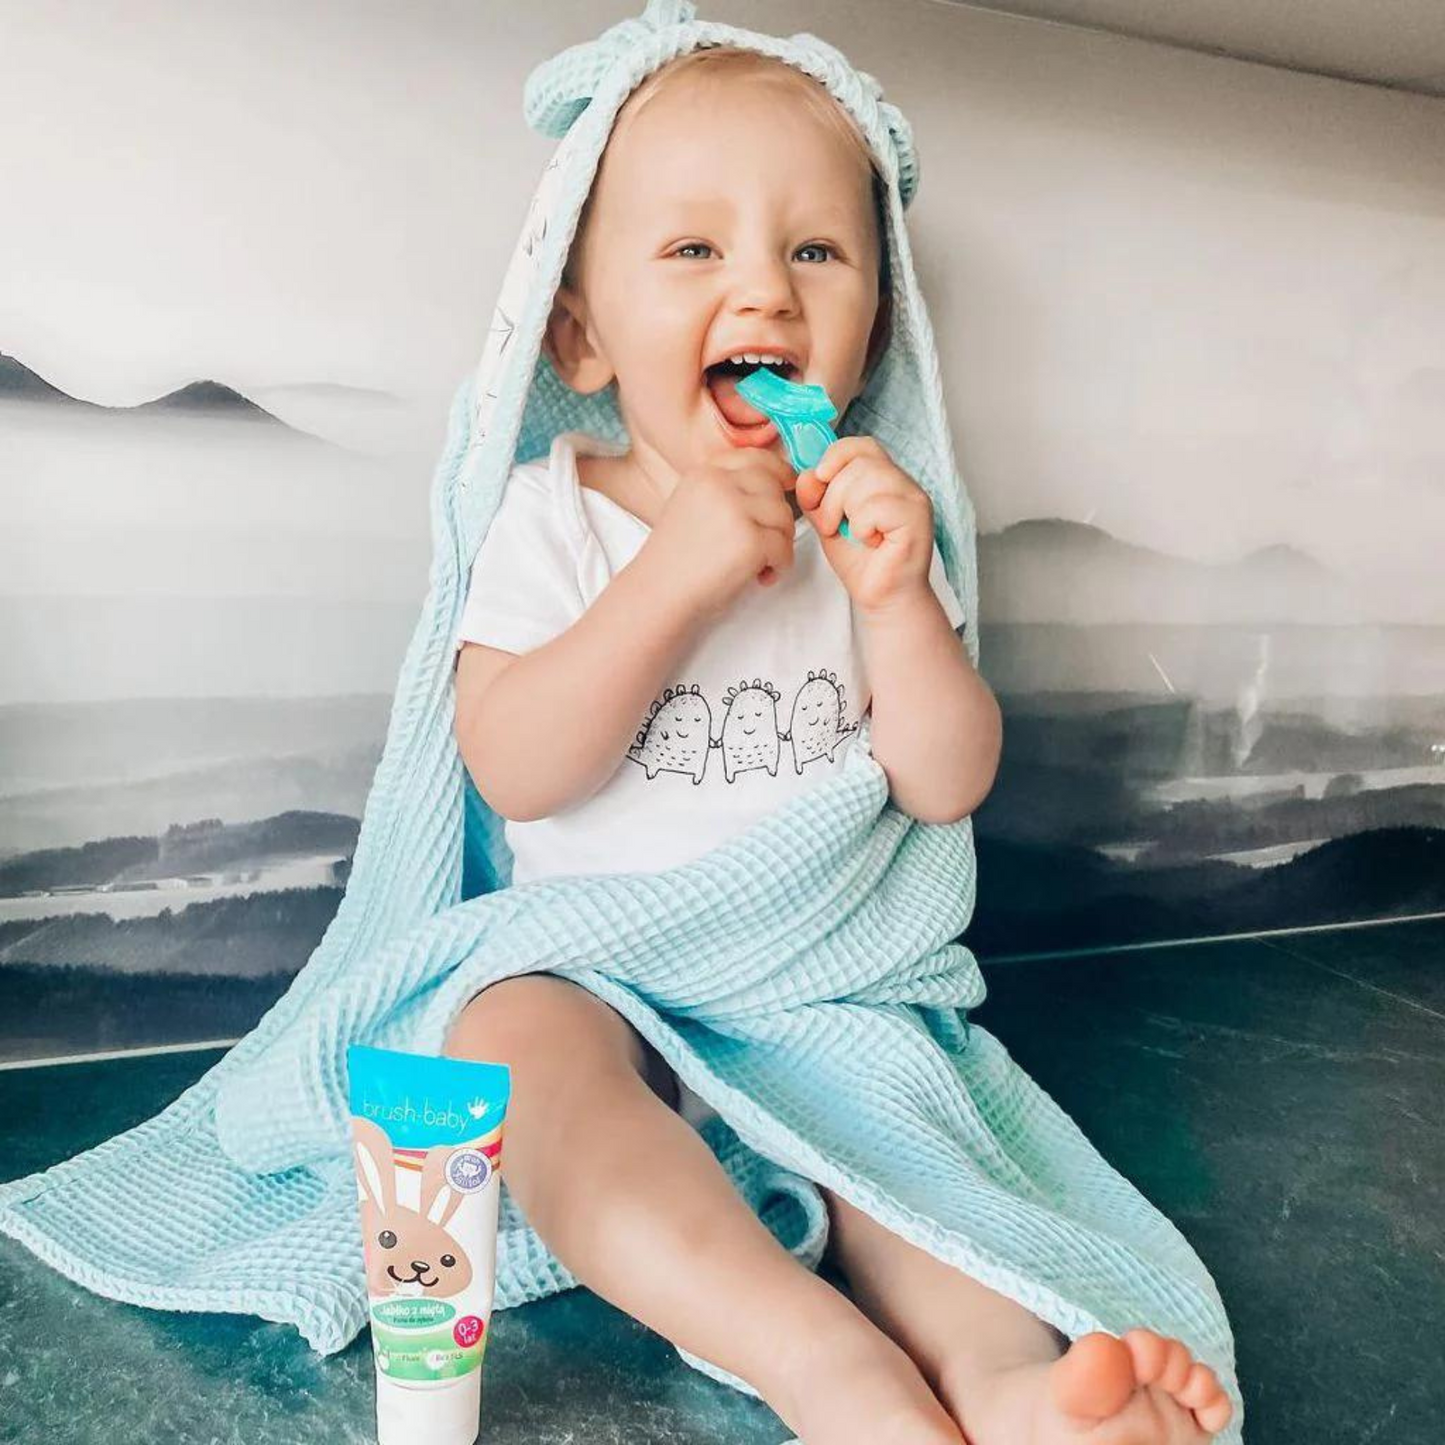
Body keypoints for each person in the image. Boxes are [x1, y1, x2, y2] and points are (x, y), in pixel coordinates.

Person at [443, 41, 1233, 1445]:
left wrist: (899, 607)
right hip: (605, 982)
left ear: (874, 330)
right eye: (694, 248)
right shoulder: (554, 516)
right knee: (508, 1047)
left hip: (822, 990)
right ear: (580, 338)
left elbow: (945, 779)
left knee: (906, 1156)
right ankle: (825, 1366)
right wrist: (667, 581)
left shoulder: (866, 525)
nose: (764, 291)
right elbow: (512, 764)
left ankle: (1008, 1386)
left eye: (815, 250)